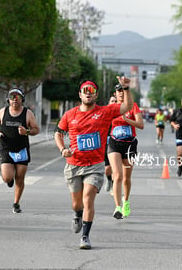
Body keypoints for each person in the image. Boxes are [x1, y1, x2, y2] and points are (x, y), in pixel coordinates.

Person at [54, 77, 133, 249]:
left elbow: (127, 107)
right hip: (74, 164)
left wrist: (126, 88)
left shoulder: (105, 112)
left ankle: (85, 236)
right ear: (80, 94)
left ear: (96, 95)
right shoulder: (70, 115)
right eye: (85, 91)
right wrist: (62, 149)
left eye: (91, 91)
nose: (88, 94)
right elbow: (58, 133)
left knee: (88, 198)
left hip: (95, 165)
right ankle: (77, 214)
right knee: (77, 203)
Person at [0, 88, 40, 213]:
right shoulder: (3, 112)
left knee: (20, 177)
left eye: (18, 97)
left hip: (22, 149)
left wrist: (27, 131)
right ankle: (9, 181)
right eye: (12, 97)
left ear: (22, 100)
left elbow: (36, 129)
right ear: (8, 100)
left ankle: (16, 203)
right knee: (7, 178)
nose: (15, 100)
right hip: (6, 148)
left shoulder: (28, 113)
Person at [108, 84, 144, 219]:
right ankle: (117, 207)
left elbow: (141, 125)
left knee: (126, 178)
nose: (121, 93)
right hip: (114, 144)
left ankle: (126, 201)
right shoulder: (111, 108)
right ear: (115, 94)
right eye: (118, 92)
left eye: (123, 91)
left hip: (130, 145)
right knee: (117, 175)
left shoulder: (133, 106)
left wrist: (127, 120)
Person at [104, 95, 117, 192]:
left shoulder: (121, 114)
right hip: (106, 142)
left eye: (115, 101)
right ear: (109, 103)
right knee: (107, 168)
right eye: (112, 101)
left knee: (115, 167)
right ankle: (109, 179)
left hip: (117, 143)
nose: (114, 102)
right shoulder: (104, 113)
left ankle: (114, 186)